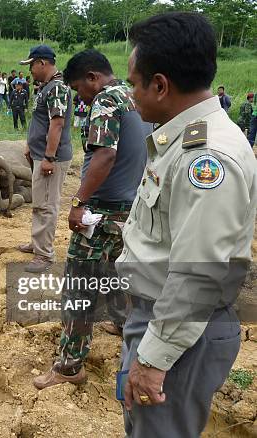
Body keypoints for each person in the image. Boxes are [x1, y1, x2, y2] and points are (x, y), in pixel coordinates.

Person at [117, 12, 256, 438]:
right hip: (162, 323)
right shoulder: (184, 138)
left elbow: (199, 273)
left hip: (180, 335)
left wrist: (153, 359)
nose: (130, 94)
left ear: (160, 85)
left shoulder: (206, 158)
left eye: (134, 83)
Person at [33, 49, 150, 390]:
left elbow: (105, 154)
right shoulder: (134, 99)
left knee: (78, 290)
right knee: (118, 275)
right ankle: (121, 322)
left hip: (100, 214)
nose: (78, 98)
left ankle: (69, 367)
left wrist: (78, 202)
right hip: (129, 211)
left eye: (78, 89)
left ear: (92, 78)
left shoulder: (106, 101)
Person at [16, 45, 73, 273]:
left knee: (46, 204)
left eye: (31, 65)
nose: (29, 70)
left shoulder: (57, 88)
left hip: (52, 158)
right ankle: (38, 243)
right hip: (41, 154)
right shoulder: (46, 87)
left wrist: (49, 156)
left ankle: (45, 255)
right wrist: (32, 145)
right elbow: (41, 120)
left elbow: (57, 124)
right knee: (40, 201)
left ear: (42, 63)